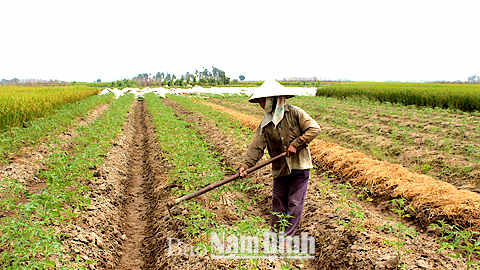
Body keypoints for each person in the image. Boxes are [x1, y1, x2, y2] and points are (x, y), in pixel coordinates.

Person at [238, 79, 321, 238]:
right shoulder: (265, 123)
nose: (261, 104)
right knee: (278, 201)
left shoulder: (295, 113)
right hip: (280, 167)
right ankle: (275, 233)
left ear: (273, 99)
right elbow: (256, 146)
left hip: (299, 166)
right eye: (260, 101)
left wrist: (296, 144)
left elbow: (314, 129)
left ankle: (287, 236)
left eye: (263, 101)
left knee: (294, 203)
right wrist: (245, 166)